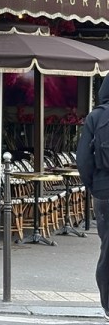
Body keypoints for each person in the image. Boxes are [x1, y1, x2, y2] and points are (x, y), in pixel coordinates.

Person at [76, 74, 109, 320]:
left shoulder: (96, 117)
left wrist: (94, 186)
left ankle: (108, 305)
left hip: (104, 190)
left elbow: (83, 160)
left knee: (107, 248)